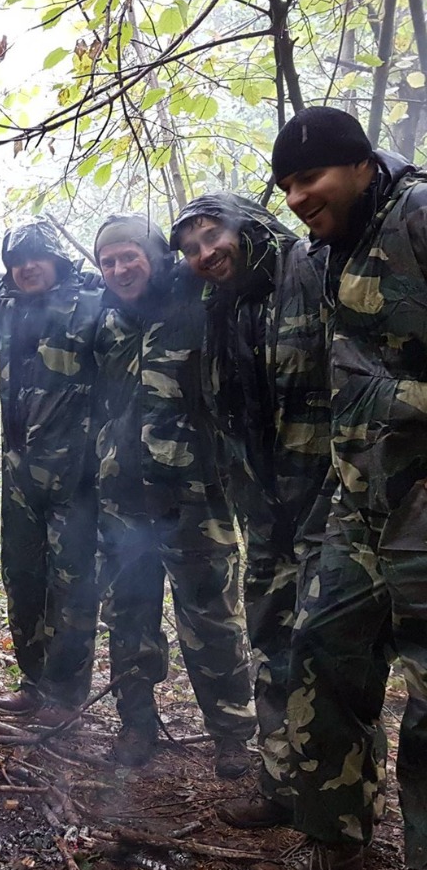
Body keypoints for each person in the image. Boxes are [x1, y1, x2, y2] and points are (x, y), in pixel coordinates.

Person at [249, 107, 427, 870]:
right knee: (321, 642)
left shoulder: (419, 215)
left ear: (358, 164)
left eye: (309, 177)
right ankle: (335, 842)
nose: (296, 196)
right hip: (361, 493)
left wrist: (398, 405)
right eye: (285, 184)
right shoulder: (327, 247)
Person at [171, 193, 332, 826]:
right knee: (271, 638)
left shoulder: (314, 270)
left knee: (328, 650)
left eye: (213, 237)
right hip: (265, 511)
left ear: (247, 224)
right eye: (191, 249)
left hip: (329, 504)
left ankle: (333, 813)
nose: (204, 255)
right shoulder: (220, 309)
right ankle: (281, 785)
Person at [92, 214, 255, 778]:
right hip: (123, 499)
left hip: (195, 493)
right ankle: (135, 726)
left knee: (212, 617)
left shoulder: (198, 299)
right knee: (128, 616)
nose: (118, 268)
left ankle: (233, 737)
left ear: (155, 254)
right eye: (108, 261)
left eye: (128, 256)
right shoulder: (107, 320)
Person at [0, 220, 101, 726]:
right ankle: (34, 682)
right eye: (17, 259)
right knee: (22, 577)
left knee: (73, 585)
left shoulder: (92, 301)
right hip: (19, 471)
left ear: (56, 259)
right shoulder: (7, 306)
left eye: (37, 256)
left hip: (76, 475)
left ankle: (65, 695)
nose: (27, 266)